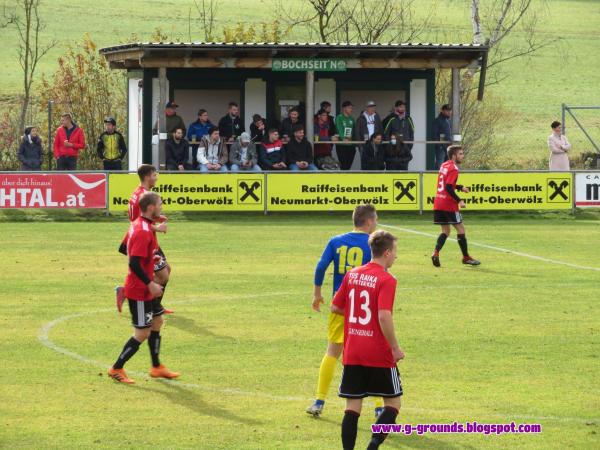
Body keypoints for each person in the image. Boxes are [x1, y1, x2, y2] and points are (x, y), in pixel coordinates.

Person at [306, 204, 384, 418]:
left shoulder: (336, 241)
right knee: (372, 354)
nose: (376, 223)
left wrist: (317, 293)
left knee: (332, 352)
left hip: (340, 307)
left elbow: (321, 266)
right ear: (368, 222)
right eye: (375, 219)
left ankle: (319, 401)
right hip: (365, 309)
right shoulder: (373, 244)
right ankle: (379, 406)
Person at [332, 230, 405, 450]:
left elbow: (335, 306)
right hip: (378, 352)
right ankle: (374, 444)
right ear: (387, 252)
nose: (396, 257)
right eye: (395, 253)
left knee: (352, 406)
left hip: (353, 350)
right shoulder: (387, 279)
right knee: (393, 403)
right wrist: (395, 348)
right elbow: (384, 315)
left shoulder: (352, 274)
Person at [108, 192, 180, 384]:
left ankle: (156, 367)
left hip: (147, 287)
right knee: (142, 333)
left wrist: (153, 260)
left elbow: (136, 252)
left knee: (157, 322)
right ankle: (116, 367)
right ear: (150, 208)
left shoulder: (144, 225)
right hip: (140, 290)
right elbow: (133, 263)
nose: (162, 206)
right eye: (160, 204)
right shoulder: (143, 231)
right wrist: (150, 284)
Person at [116, 164, 173, 316]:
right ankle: (148, 303)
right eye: (155, 175)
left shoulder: (140, 193)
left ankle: (154, 305)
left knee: (164, 271)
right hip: (143, 242)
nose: (156, 177)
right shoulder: (142, 196)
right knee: (163, 274)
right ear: (147, 177)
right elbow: (139, 223)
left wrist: (157, 217)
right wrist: (158, 228)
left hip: (147, 240)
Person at [431, 145, 480, 267]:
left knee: (446, 231)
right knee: (461, 229)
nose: (463, 156)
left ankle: (436, 253)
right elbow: (448, 187)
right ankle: (466, 257)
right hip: (448, 204)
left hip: (438, 201)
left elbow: (447, 183)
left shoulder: (444, 165)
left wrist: (460, 187)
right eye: (460, 154)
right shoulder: (454, 168)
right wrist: (459, 200)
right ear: (454, 155)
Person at [383, 100, 414, 165]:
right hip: (393, 149)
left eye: (403, 107)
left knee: (403, 171)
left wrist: (409, 146)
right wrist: (390, 146)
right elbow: (386, 133)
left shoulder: (408, 119)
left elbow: (412, 133)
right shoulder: (391, 118)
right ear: (396, 108)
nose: (403, 108)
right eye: (400, 107)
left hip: (405, 149)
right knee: (392, 171)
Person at [335, 101, 357, 170]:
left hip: (351, 145)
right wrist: (343, 138)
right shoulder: (339, 117)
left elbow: (354, 131)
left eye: (351, 108)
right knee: (343, 165)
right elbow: (339, 129)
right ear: (344, 108)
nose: (351, 109)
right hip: (342, 145)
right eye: (350, 108)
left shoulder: (352, 118)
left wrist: (354, 141)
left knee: (348, 165)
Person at [432, 104, 452, 169]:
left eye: (450, 110)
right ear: (442, 111)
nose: (449, 112)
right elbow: (434, 135)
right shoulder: (437, 120)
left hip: (448, 147)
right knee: (440, 166)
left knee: (446, 167)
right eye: (447, 110)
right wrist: (439, 145)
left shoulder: (448, 121)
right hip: (440, 148)